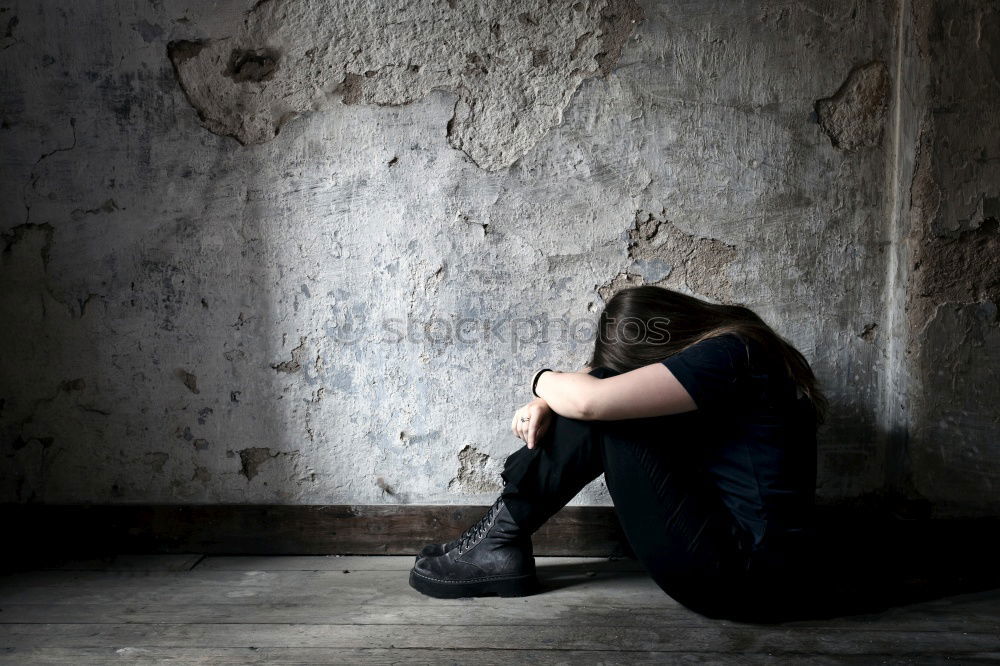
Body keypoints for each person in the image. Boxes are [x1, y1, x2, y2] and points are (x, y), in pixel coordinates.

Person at [408, 285, 829, 622]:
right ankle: (497, 538)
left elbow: (594, 400)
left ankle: (497, 541)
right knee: (593, 400)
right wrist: (552, 402)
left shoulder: (732, 352)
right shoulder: (739, 346)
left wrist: (542, 383)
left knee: (598, 408)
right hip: (754, 565)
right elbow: (597, 385)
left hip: (745, 579)